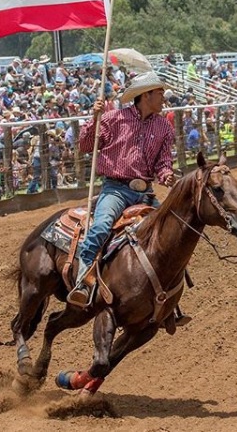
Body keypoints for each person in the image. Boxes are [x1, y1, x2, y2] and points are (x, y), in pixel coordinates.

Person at [67, 71, 177, 308]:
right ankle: (83, 280)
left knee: (169, 230)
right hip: (116, 189)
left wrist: (166, 175)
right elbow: (86, 146)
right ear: (145, 95)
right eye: (159, 93)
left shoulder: (164, 127)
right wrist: (94, 119)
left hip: (145, 191)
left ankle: (171, 294)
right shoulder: (113, 119)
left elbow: (163, 162)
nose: (163, 98)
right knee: (102, 225)